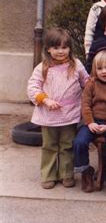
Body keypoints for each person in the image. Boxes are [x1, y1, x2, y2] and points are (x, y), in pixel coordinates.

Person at [27, 28, 89, 189]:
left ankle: (66, 174)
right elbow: (33, 87)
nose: (60, 51)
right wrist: (45, 100)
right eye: (56, 48)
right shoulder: (43, 67)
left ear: (69, 48)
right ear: (48, 49)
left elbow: (87, 83)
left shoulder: (76, 65)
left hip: (70, 114)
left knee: (67, 145)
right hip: (48, 115)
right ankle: (48, 174)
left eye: (64, 47)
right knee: (49, 146)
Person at [73, 51, 106, 196]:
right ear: (94, 70)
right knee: (79, 142)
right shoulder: (91, 85)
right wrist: (90, 123)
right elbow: (85, 105)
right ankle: (86, 172)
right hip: (92, 123)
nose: (104, 71)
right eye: (100, 68)